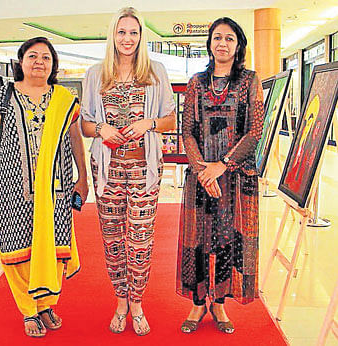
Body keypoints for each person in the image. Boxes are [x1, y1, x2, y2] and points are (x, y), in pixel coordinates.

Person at [0, 37, 89, 338]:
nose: (39, 62)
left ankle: (46, 304)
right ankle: (28, 309)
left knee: (53, 247)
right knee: (16, 247)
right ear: (20, 62)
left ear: (53, 64)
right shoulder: (4, 95)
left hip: (58, 187)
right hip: (12, 185)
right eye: (32, 56)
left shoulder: (64, 99)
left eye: (45, 57)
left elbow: (76, 140)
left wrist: (83, 177)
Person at [81, 7, 176, 336]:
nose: (127, 39)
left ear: (141, 36)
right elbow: (84, 124)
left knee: (140, 240)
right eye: (122, 32)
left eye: (133, 32)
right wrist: (100, 130)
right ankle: (119, 300)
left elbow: (170, 119)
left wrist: (148, 123)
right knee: (112, 241)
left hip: (144, 169)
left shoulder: (156, 71)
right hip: (107, 171)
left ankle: (137, 302)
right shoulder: (96, 74)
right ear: (113, 35)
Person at [177, 17, 264, 334]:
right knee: (198, 241)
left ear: (238, 45)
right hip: (201, 178)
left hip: (237, 177)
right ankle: (198, 303)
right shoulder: (196, 82)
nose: (223, 43)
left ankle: (220, 305)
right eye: (217, 37)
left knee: (229, 241)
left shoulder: (250, 81)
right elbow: (186, 132)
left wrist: (222, 164)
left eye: (229, 38)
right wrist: (203, 170)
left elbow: (255, 131)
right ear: (210, 43)